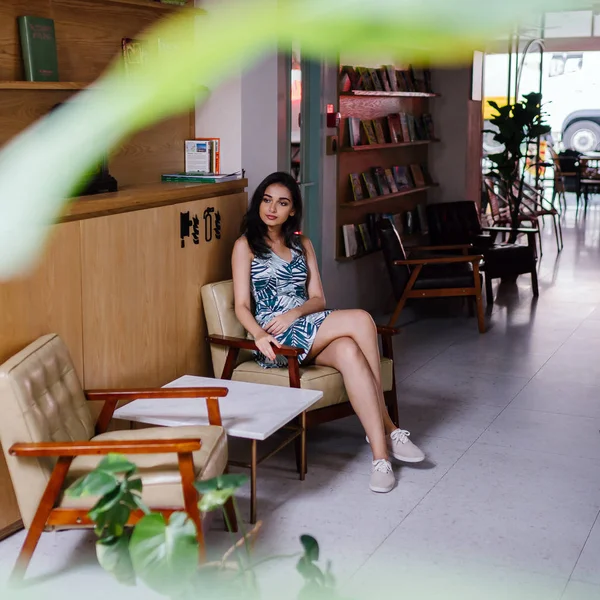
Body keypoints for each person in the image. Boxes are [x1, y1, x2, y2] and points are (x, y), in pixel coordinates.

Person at [231, 172, 424, 493]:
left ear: (292, 210)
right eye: (267, 200)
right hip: (276, 337)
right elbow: (240, 305)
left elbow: (319, 298)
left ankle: (380, 458)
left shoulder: (301, 243)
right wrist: (259, 335)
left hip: (305, 323)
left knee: (349, 349)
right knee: (362, 319)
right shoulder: (245, 245)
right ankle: (389, 425)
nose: (272, 209)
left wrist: (296, 311)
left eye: (282, 203)